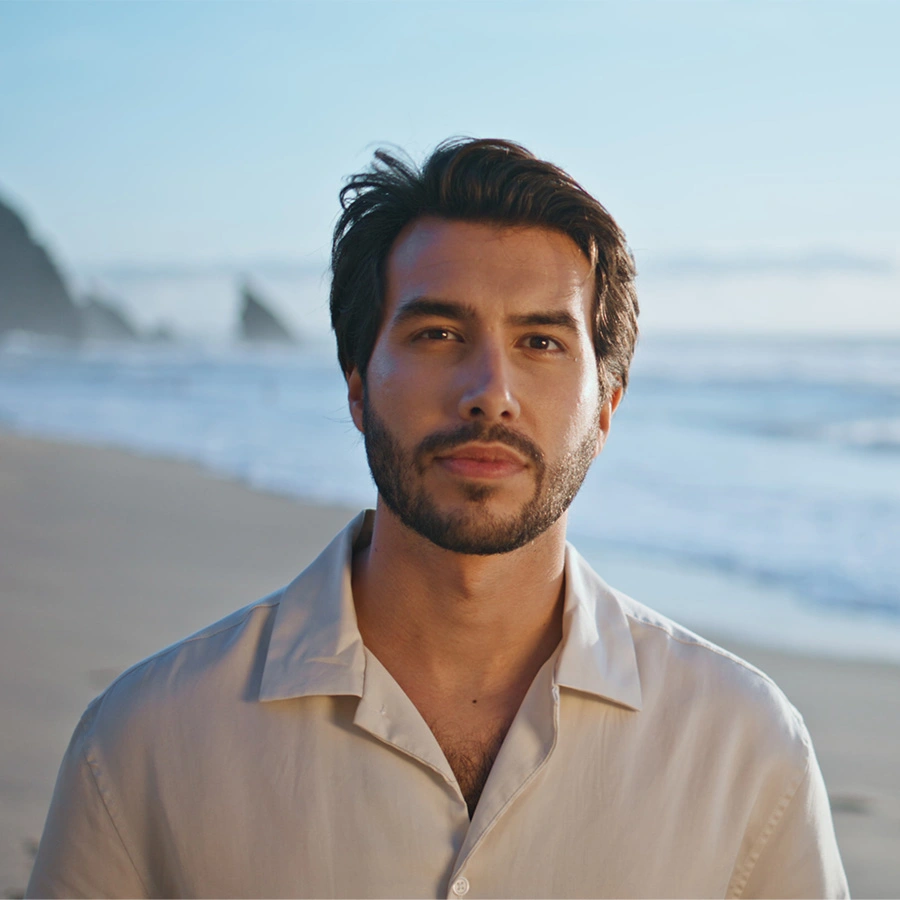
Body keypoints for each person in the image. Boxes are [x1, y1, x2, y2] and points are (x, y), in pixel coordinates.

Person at [27, 139, 848, 899]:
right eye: (438, 332)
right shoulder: (146, 743)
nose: (490, 390)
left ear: (606, 411)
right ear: (356, 383)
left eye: (541, 342)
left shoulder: (746, 751)